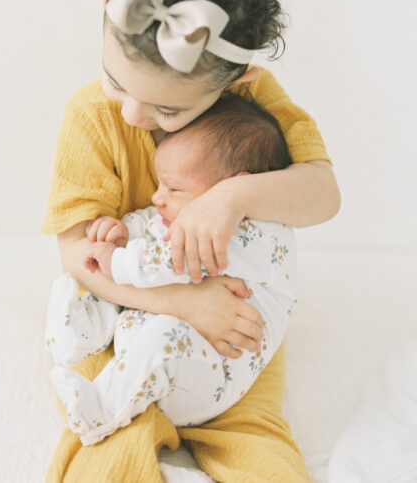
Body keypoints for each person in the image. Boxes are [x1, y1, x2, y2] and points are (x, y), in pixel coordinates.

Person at [42, 0, 339, 482]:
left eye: (169, 112)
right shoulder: (90, 118)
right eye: (115, 80)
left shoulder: (256, 105)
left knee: (265, 459)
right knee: (106, 450)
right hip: (128, 322)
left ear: (236, 85)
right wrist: (182, 301)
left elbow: (324, 195)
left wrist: (235, 193)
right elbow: (76, 254)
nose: (132, 114)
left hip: (236, 338)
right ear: (107, 8)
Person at [46, 94, 297, 446]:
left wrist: (116, 259)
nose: (157, 197)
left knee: (150, 311)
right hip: (169, 331)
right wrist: (122, 233)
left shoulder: (255, 232)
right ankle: (83, 334)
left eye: (173, 188)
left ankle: (100, 411)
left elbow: (169, 262)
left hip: (208, 372)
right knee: (130, 293)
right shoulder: (190, 211)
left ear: (232, 187)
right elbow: (152, 226)